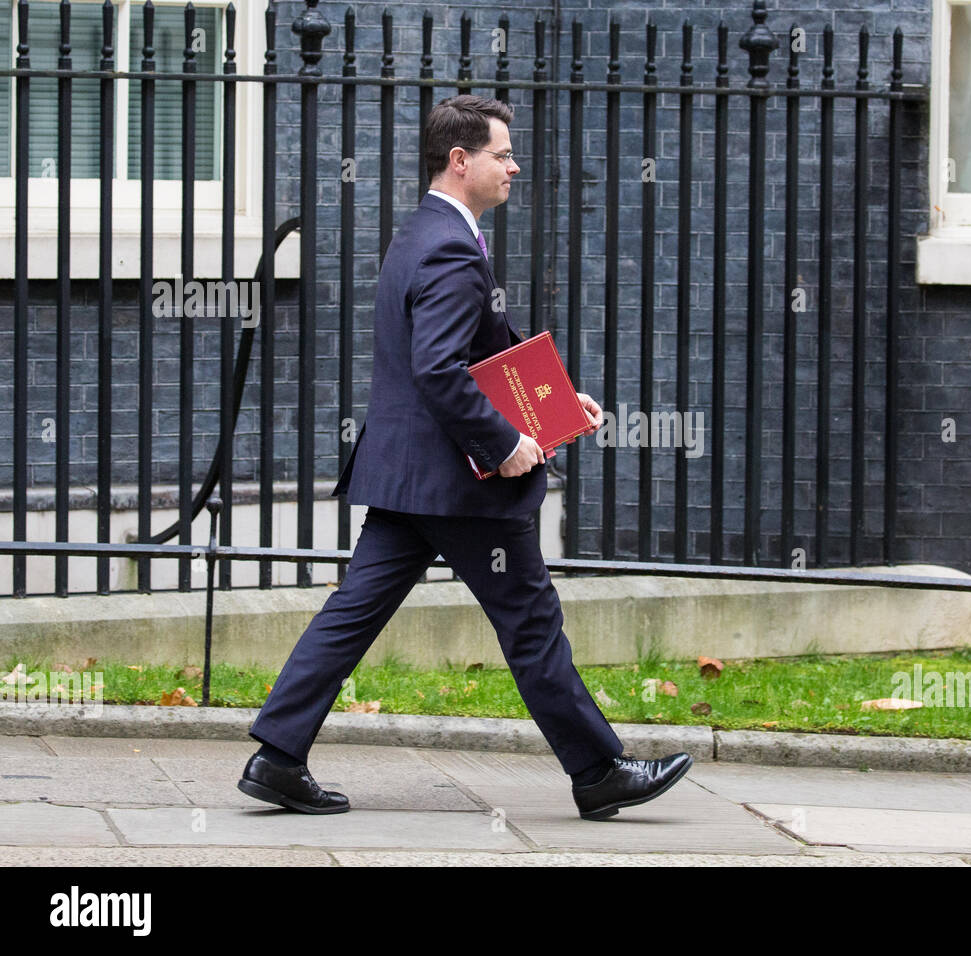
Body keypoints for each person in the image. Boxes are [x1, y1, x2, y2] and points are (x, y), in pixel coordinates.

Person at [238, 94, 691, 821]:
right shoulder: (452, 246)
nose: (514, 167)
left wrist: (556, 406)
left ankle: (277, 756)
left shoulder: (422, 234)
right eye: (502, 154)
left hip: (407, 476)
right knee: (531, 618)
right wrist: (510, 443)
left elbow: (489, 354)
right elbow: (441, 369)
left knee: (352, 612)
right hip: (460, 485)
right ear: (460, 160)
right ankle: (600, 770)